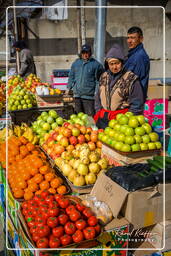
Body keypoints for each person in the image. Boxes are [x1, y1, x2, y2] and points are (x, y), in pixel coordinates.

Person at [94, 44, 144, 129]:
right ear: (107, 64)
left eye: (117, 63)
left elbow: (137, 103)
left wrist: (129, 121)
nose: (114, 67)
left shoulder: (131, 78)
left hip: (121, 121)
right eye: (111, 64)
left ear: (122, 62)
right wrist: (98, 110)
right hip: (103, 118)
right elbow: (97, 96)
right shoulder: (103, 76)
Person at [67, 44, 104, 116]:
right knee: (79, 116)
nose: (85, 54)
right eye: (83, 52)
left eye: (87, 52)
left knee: (90, 117)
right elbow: (71, 75)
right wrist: (69, 87)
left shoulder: (96, 65)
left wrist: (97, 92)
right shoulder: (76, 63)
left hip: (89, 97)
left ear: (90, 53)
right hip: (77, 95)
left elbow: (100, 80)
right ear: (81, 53)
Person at [124, 26, 150, 101]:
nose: (129, 41)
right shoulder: (132, 55)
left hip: (134, 100)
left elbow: (133, 81)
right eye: (128, 38)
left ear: (141, 39)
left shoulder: (139, 56)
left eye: (133, 38)